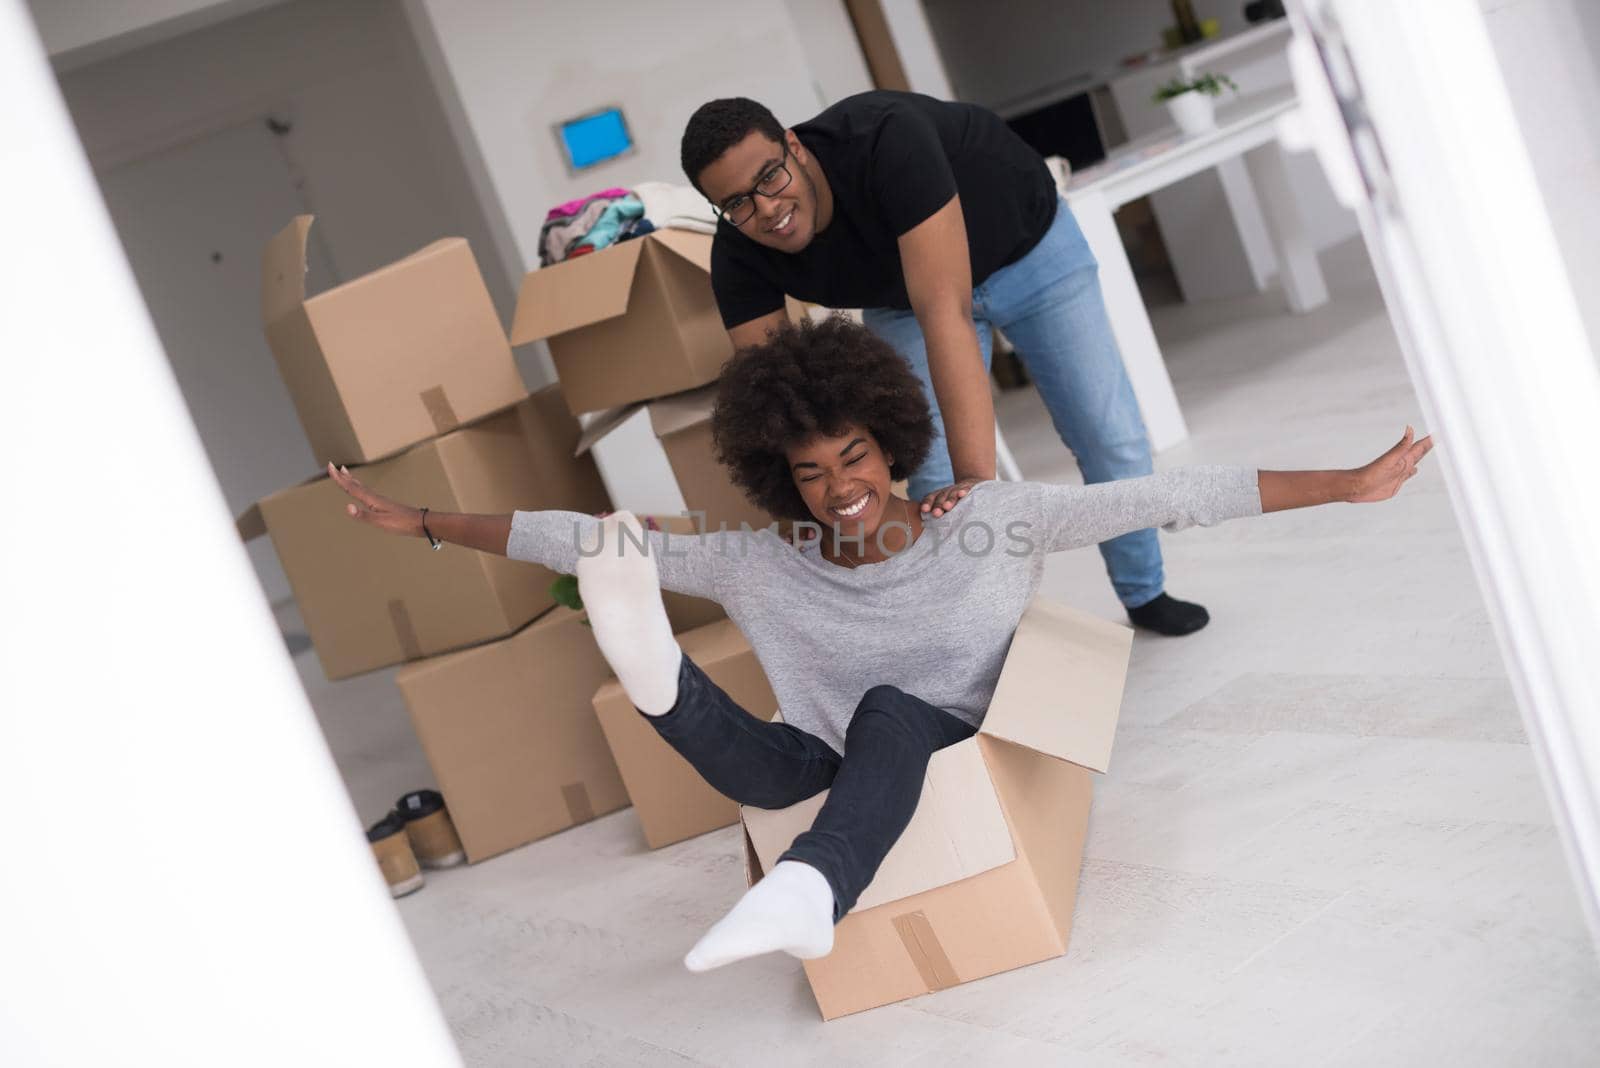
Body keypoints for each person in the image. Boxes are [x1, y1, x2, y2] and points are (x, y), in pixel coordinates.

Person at [330, 318, 1432, 973]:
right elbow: (580, 536)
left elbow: (1171, 494)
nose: (839, 488)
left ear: (888, 442)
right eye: (809, 472)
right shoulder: (765, 560)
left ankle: (809, 888)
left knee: (890, 714)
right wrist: (422, 522)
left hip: (946, 734)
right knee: (767, 746)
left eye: (852, 456)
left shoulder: (994, 520)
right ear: (781, 478)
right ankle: (656, 675)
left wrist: (1344, 484)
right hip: (813, 767)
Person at [682, 91, 1210, 636]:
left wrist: (978, 483)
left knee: (1107, 434)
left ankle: (1145, 593)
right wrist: (822, 527)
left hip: (1029, 250)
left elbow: (945, 311)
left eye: (770, 177)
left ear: (793, 146)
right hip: (903, 301)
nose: (765, 208)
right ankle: (973, 633)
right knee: (928, 477)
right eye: (737, 203)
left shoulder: (886, 139)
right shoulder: (739, 255)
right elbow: (777, 405)